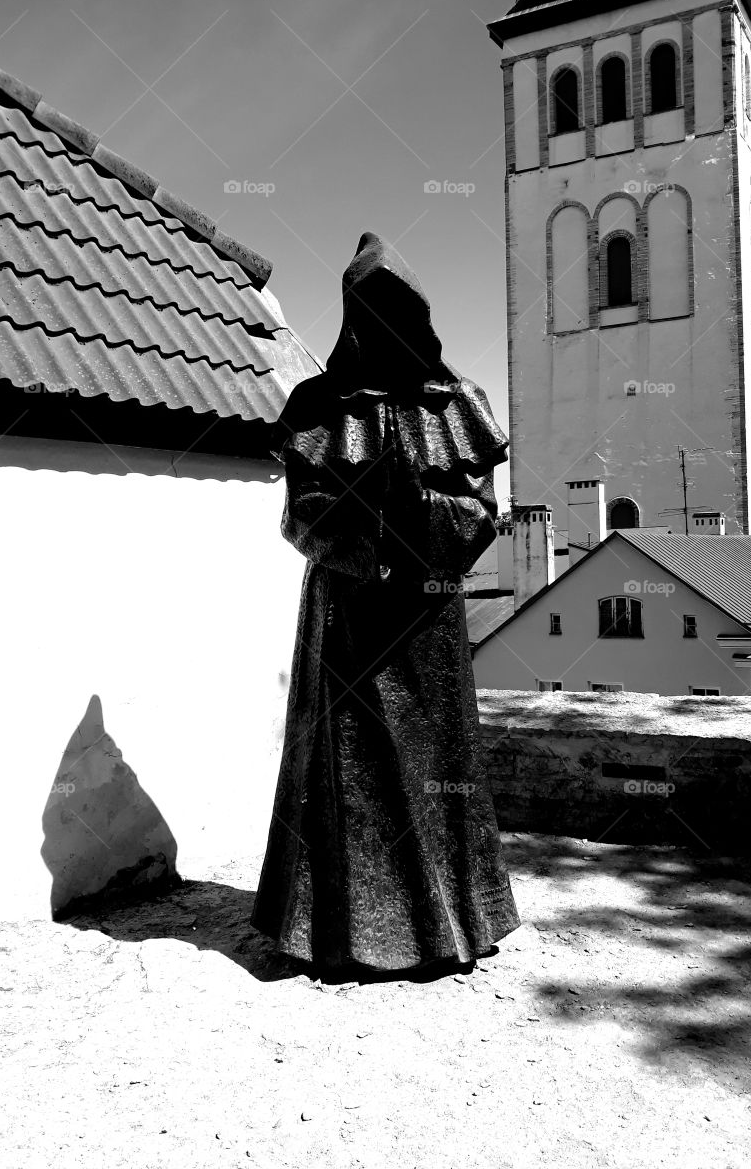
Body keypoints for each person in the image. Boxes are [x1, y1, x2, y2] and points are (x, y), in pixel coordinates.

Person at [250, 231, 520, 977]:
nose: (386, 323)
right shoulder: (316, 405)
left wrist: (417, 512)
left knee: (439, 771)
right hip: (346, 618)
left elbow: (481, 516)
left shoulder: (460, 403)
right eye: (371, 308)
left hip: (426, 619)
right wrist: (364, 525)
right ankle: (334, 933)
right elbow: (299, 518)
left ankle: (454, 921)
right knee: (344, 773)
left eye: (399, 307)